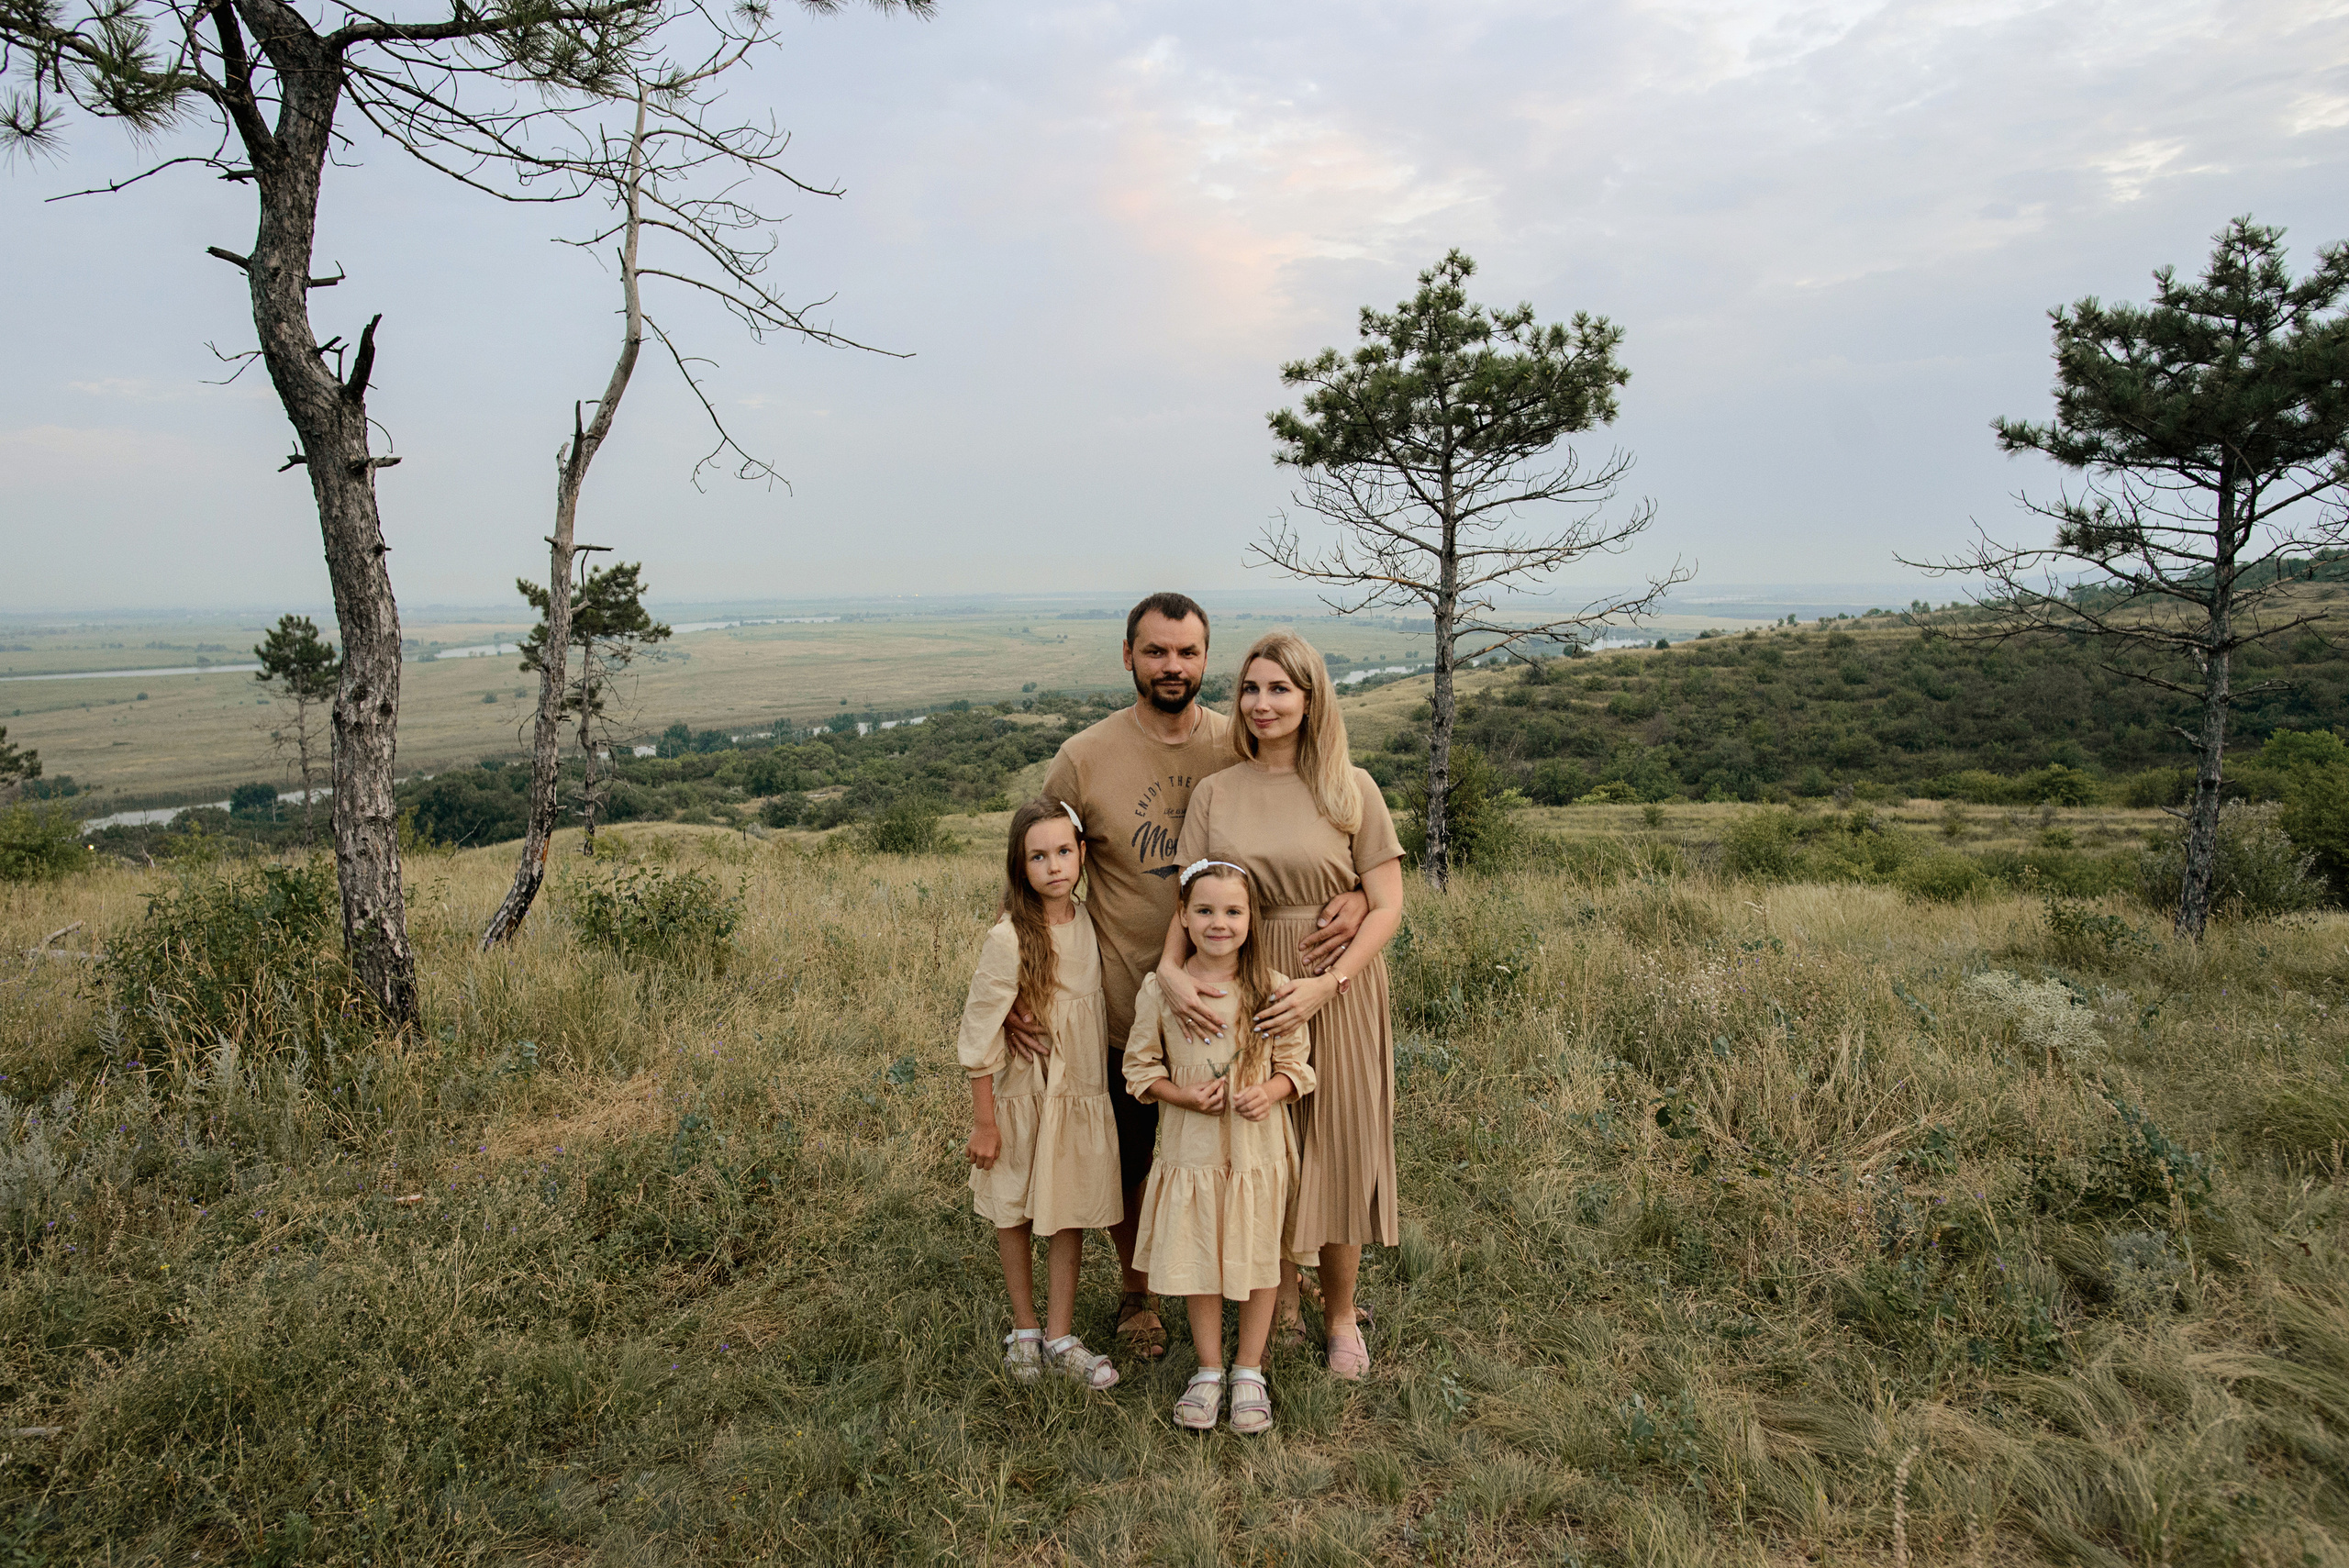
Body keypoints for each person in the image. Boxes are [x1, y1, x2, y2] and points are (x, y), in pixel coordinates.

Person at [1021, 593, 1367, 1362]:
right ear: (1128, 657)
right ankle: (1139, 1293)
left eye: (1187, 653)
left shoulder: (1234, 744)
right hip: (1128, 996)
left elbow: (1294, 818)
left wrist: (1348, 887)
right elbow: (1038, 862)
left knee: (1254, 1141)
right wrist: (1028, 981)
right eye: (1155, 651)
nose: (1172, 666)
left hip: (1240, 993)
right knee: (1138, 1155)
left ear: (1206, 659)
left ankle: (1268, 1275)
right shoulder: (1085, 756)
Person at [1162, 630, 1404, 1380]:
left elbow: (1390, 904)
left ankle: (1339, 1317)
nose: (1263, 704)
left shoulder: (1349, 786)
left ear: (1311, 698)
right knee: (1262, 1146)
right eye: (1252, 689)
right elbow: (1189, 898)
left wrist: (1325, 985)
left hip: (1336, 986)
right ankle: (1282, 1300)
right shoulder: (1216, 792)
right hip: (1243, 986)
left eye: (1281, 690)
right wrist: (1170, 973)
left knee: (1336, 1146)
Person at [1125, 861, 1315, 1434]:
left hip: (1258, 1155)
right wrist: (1180, 1095)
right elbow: (1139, 1069)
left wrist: (1272, 1091)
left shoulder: (1273, 990)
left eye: (1232, 911)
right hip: (1194, 1154)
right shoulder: (1160, 990)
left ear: (1251, 919)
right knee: (1200, 1258)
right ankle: (1208, 1370)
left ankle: (1248, 1370)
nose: (1218, 923)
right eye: (1204, 911)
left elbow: (1298, 1069)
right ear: (1182, 917)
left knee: (1260, 1258)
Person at [958, 797, 1123, 1390]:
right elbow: (979, 1029)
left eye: (1063, 852)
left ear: (1081, 854)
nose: (1053, 865)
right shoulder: (1009, 937)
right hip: (1024, 1095)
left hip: (1078, 1090)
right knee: (1016, 1207)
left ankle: (1060, 1332)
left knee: (1069, 1205)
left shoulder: (1088, 921)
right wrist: (985, 1121)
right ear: (1019, 864)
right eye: (1037, 856)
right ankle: (1024, 1328)